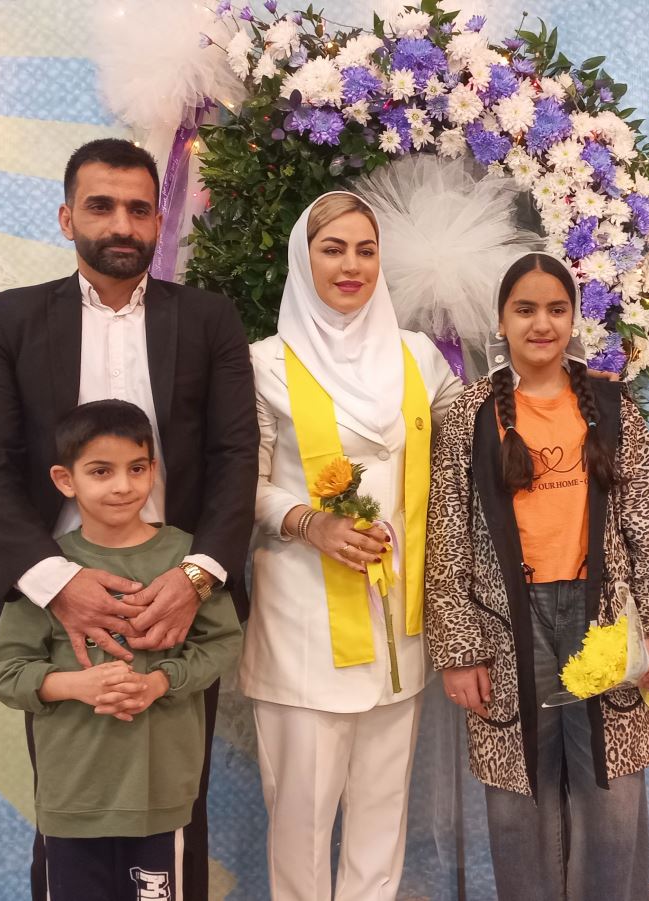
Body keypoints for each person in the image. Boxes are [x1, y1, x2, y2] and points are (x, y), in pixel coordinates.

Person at [0, 138, 258, 898]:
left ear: (159, 220)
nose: (121, 224)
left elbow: (235, 458)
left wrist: (196, 579)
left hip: (175, 602)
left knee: (177, 809)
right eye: (101, 206)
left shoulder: (209, 319)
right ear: (67, 218)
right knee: (67, 807)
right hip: (55, 605)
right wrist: (59, 586)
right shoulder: (9, 319)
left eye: (138, 209)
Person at [423, 252, 649, 901]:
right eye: (525, 309)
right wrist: (461, 650)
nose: (541, 323)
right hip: (507, 626)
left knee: (612, 792)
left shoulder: (609, 404)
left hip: (603, 620)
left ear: (574, 317)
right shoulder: (470, 417)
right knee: (518, 795)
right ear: (501, 320)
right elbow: (447, 536)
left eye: (556, 309)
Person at [242, 190, 463, 900]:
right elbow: (238, 489)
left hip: (398, 626)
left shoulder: (418, 358)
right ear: (301, 260)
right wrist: (311, 523)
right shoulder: (265, 365)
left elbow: (477, 436)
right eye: (332, 249)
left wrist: (569, 385)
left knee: (381, 817)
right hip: (303, 630)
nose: (351, 265)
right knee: (301, 825)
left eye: (366, 251)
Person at [0, 399, 242, 901]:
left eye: (137, 468)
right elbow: (6, 673)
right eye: (101, 471)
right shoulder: (48, 573)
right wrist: (77, 685)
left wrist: (160, 682)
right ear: (65, 480)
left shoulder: (187, 560)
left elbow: (222, 643)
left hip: (159, 796)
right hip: (73, 798)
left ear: (154, 470)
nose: (123, 486)